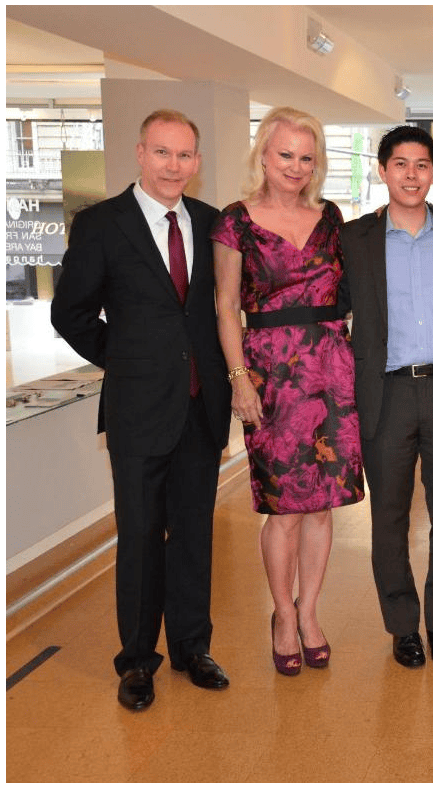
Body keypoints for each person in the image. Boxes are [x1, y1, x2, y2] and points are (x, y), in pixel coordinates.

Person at [51, 109, 231, 710]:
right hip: (137, 412)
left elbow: (217, 309)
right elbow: (70, 313)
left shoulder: (211, 223)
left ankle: (192, 648)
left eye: (184, 155)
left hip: (200, 408)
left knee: (194, 536)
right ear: (140, 153)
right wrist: (124, 359)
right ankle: (135, 661)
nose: (172, 166)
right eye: (161, 152)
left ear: (197, 161)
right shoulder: (102, 225)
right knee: (139, 538)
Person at [212, 106, 364, 676]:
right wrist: (238, 380)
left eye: (306, 157)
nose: (296, 167)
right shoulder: (235, 221)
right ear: (263, 155)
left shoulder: (332, 217)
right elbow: (226, 306)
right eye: (285, 155)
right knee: (284, 509)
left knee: (321, 507)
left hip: (331, 369)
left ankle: (310, 613)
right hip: (270, 374)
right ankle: (281, 614)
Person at [340, 126, 433, 669]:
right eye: (400, 164)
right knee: (390, 517)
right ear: (382, 170)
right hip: (386, 393)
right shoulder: (354, 240)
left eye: (422, 165)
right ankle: (402, 626)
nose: (411, 175)